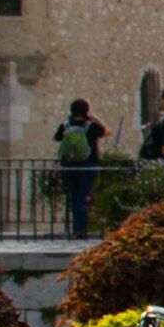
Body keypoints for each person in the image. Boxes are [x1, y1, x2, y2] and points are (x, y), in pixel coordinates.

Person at [49, 100, 107, 239]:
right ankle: (79, 230)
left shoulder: (65, 126)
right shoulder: (91, 126)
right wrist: (96, 118)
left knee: (74, 196)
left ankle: (76, 228)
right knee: (82, 197)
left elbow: (57, 138)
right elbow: (107, 131)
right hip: (88, 165)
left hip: (68, 165)